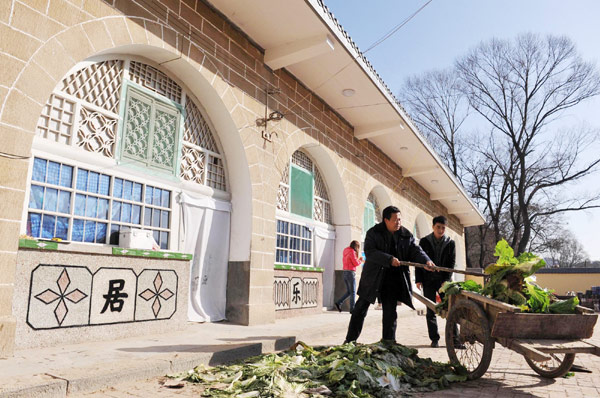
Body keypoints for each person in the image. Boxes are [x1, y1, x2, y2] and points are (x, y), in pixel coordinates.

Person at [344, 206, 434, 343]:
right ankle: (350, 340)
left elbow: (416, 251)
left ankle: (388, 342)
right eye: (395, 220)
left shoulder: (406, 235)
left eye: (400, 219)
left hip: (392, 280)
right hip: (373, 277)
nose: (398, 222)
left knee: (390, 312)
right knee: (360, 309)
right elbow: (370, 252)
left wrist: (426, 260)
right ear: (386, 220)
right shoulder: (373, 233)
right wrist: (389, 259)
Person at [416, 215, 456, 348]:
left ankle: (455, 339)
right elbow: (419, 261)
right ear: (433, 227)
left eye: (443, 228)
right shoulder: (424, 242)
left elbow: (452, 264)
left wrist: (447, 280)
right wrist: (419, 279)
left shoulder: (450, 243)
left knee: (450, 309)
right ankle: (434, 339)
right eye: (438, 227)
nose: (440, 230)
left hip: (444, 281)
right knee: (430, 310)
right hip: (428, 280)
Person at [335, 240, 363, 312]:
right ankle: (352, 309)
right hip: (350, 272)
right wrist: (360, 260)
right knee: (353, 292)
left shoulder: (345, 250)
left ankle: (339, 302)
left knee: (349, 292)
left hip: (344, 272)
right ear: (356, 247)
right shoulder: (352, 252)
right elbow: (355, 263)